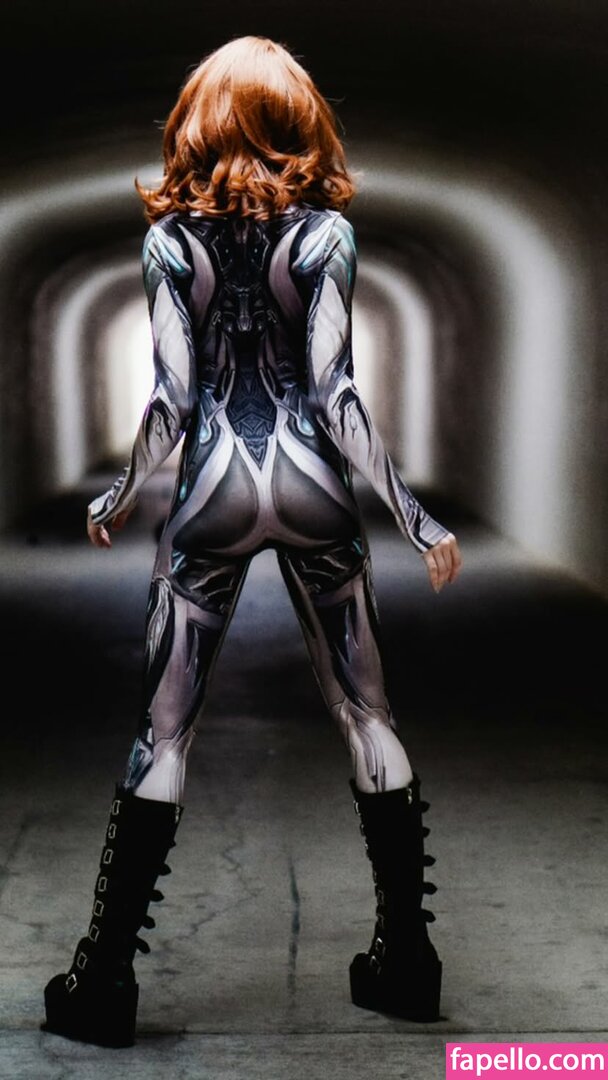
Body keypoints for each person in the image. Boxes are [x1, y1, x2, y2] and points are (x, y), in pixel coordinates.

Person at [41, 34, 462, 1048]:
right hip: (314, 484)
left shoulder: (169, 243)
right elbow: (335, 391)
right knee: (365, 712)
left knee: (165, 731)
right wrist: (415, 515)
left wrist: (120, 493)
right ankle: (406, 959)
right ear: (299, 123)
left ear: (199, 122)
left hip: (212, 491)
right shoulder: (326, 235)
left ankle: (104, 978)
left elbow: (172, 400)